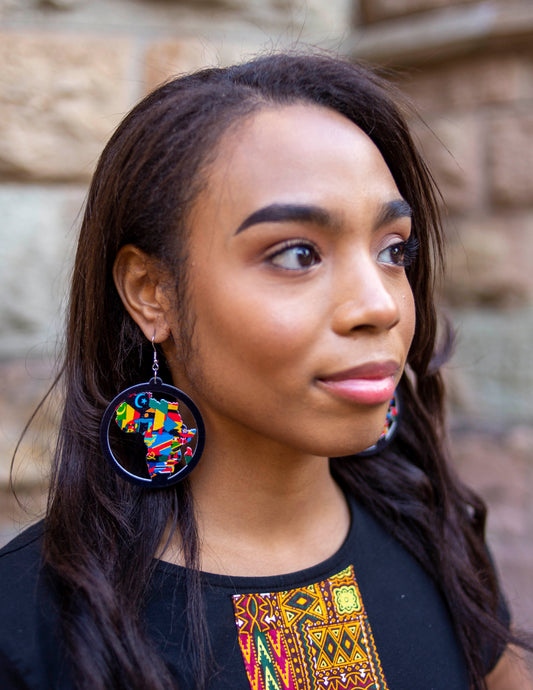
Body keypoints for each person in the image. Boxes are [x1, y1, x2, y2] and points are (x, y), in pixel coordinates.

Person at [0, 52, 530, 690]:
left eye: (394, 250)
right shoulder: (30, 624)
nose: (381, 304)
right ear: (152, 292)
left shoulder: (433, 532)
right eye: (298, 254)